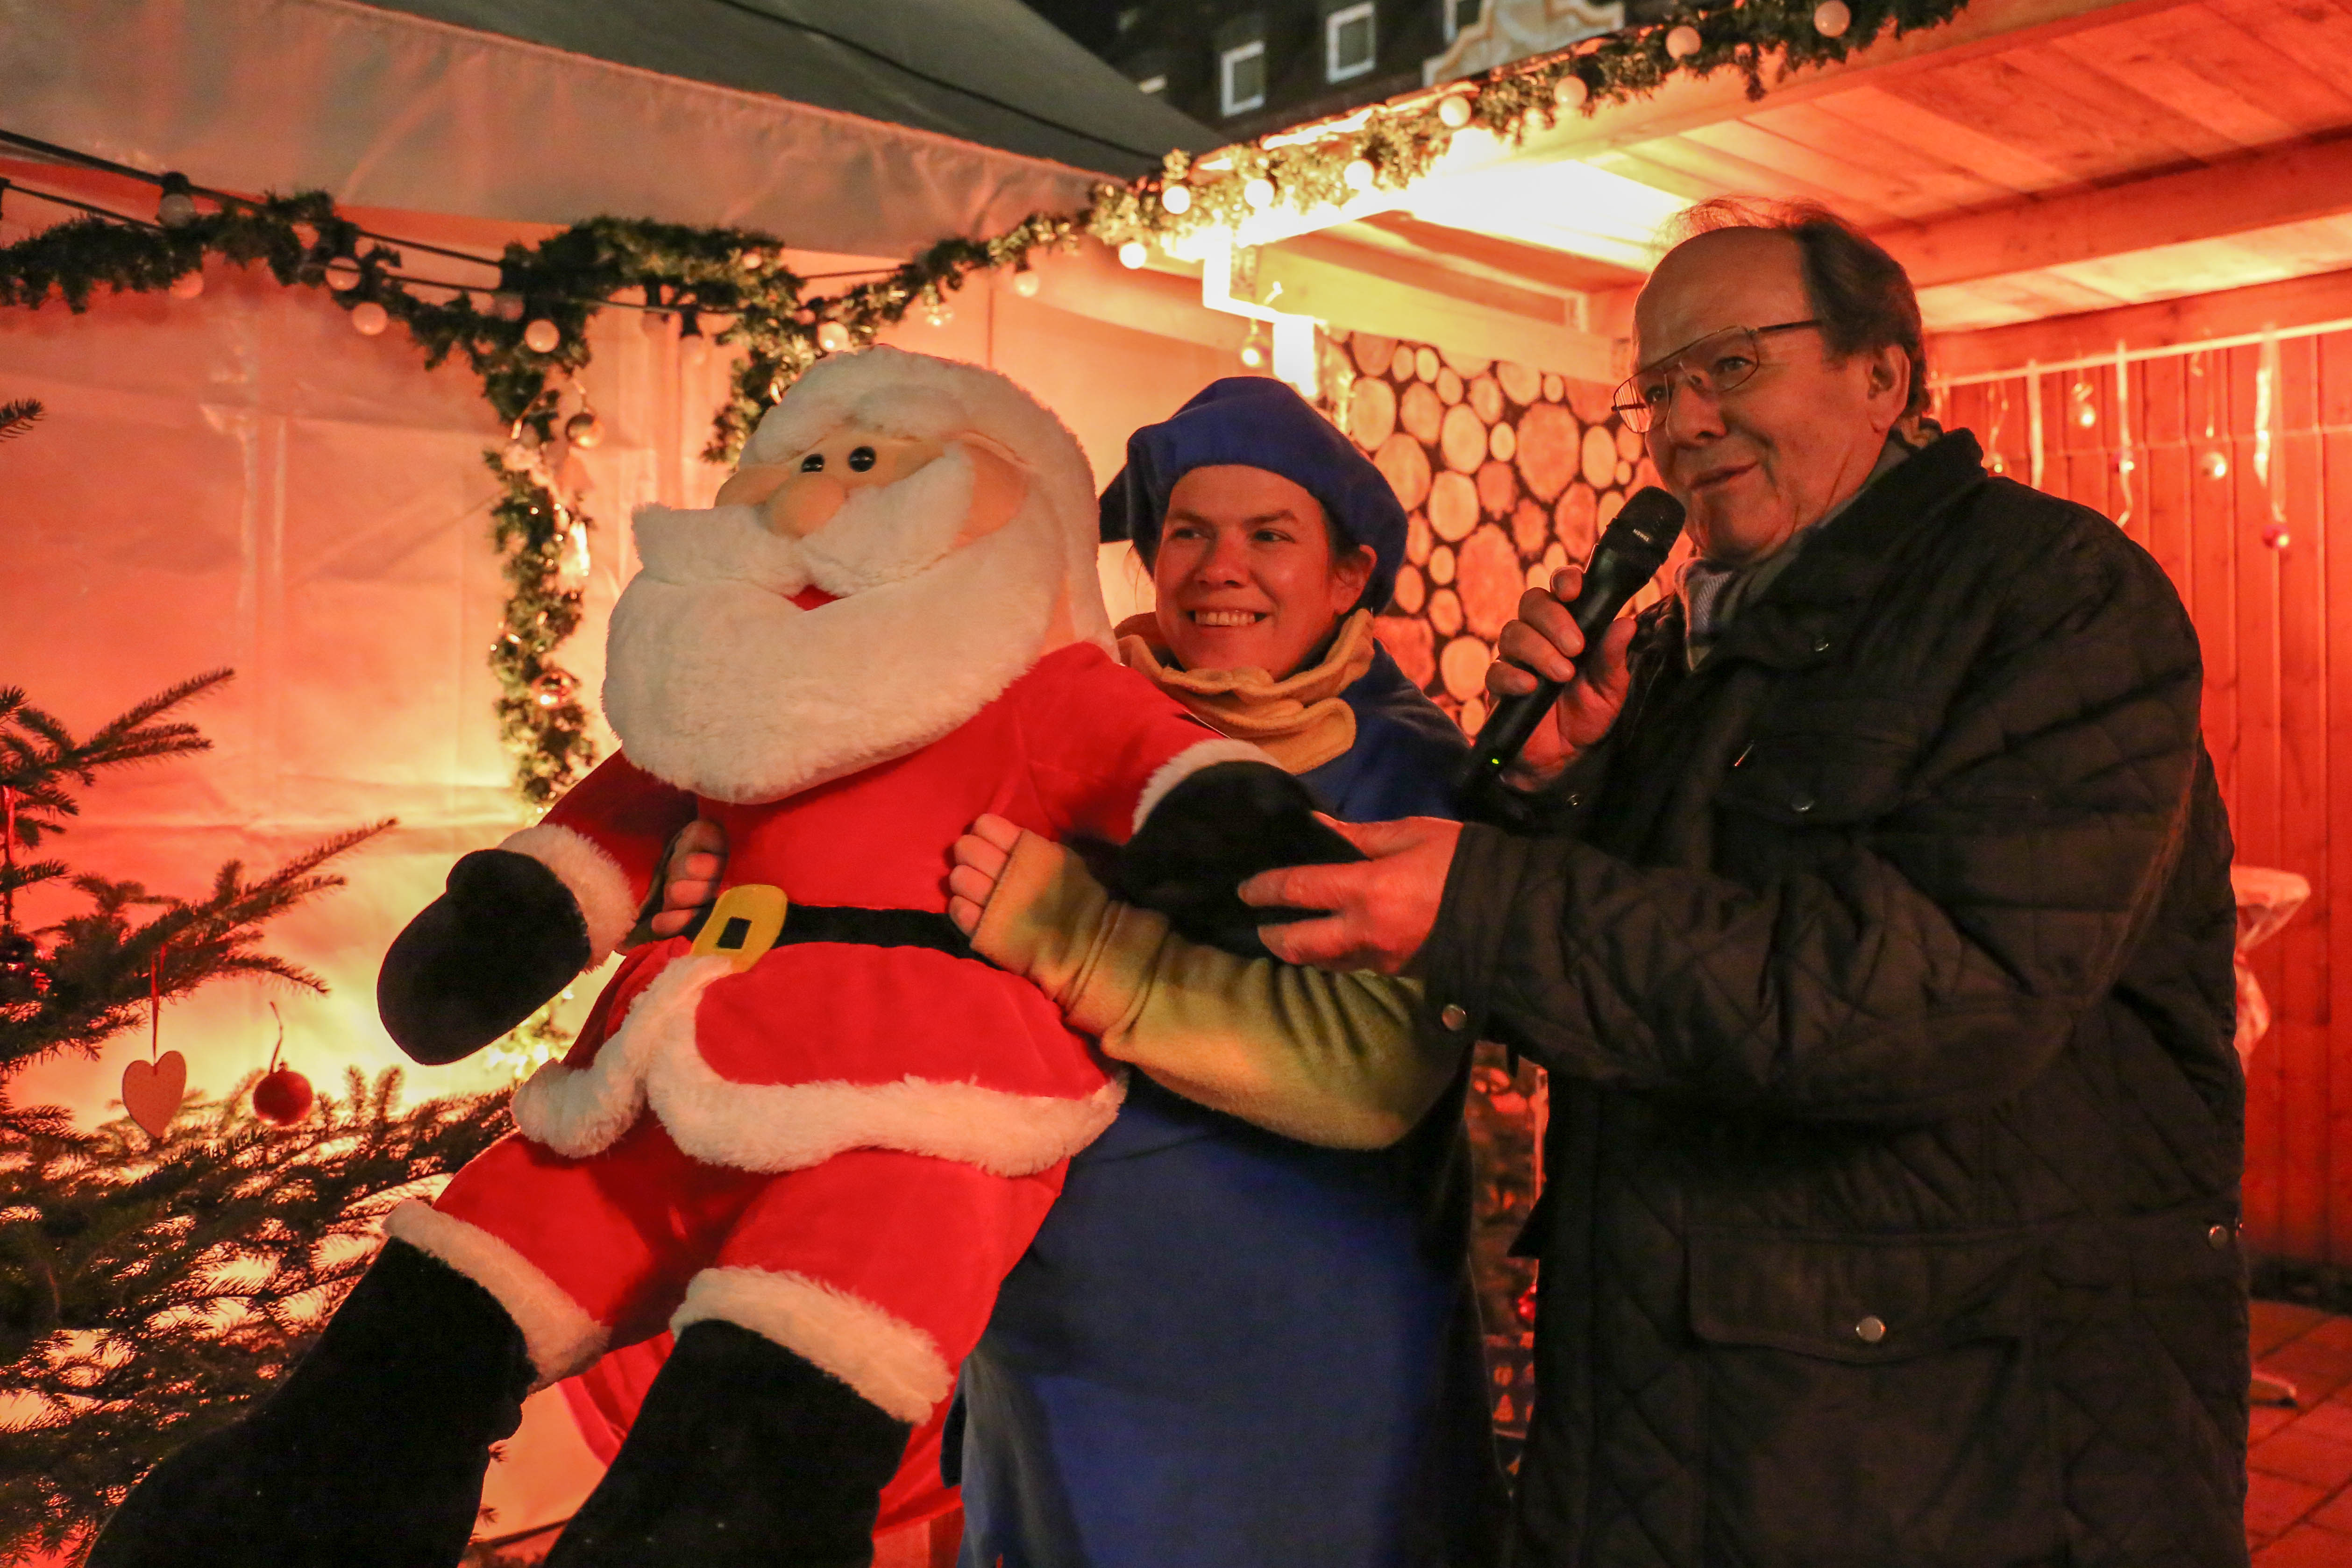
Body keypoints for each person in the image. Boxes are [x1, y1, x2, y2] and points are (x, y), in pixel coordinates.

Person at [1201, 202, 2245, 1566]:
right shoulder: (1691, 644)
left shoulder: (2054, 598)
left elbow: (1932, 997)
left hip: (1946, 1437)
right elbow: (1655, 975)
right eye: (1657, 387)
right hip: (1688, 1405)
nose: (1682, 422)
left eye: (1733, 364)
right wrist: (1562, 786)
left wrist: (1490, 901)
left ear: (1882, 374)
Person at [664, 376, 1505, 1567]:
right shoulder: (1058, 715)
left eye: (1270, 535)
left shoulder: (1406, 777)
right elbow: (883, 895)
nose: (1221, 568)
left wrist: (1081, 939)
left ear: (1347, 575)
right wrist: (726, 886)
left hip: (1300, 1375)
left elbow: (1368, 1073)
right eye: (1189, 532)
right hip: (1052, 1359)